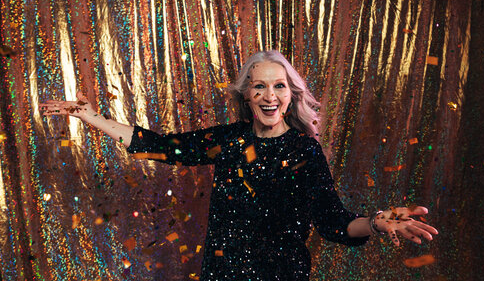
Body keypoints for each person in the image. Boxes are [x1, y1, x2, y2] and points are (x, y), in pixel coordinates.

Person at [40, 50, 438, 280]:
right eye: (259, 85)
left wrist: (376, 222)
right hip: (224, 275)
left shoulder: (305, 152)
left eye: (278, 85)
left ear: (290, 94)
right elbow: (161, 147)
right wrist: (90, 116)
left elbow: (333, 220)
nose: (269, 95)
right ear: (247, 94)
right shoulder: (229, 141)